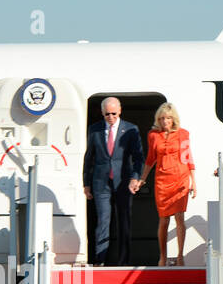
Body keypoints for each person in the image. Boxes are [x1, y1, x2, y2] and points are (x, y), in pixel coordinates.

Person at [83, 96, 143, 266]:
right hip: (101, 182)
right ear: (102, 113)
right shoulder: (94, 129)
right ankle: (99, 260)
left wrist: (135, 177)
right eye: (107, 114)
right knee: (103, 220)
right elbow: (89, 157)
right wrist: (86, 183)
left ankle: (123, 261)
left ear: (120, 111)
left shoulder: (131, 129)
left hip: (124, 181)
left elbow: (138, 157)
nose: (111, 117)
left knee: (123, 221)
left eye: (114, 114)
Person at [142, 102, 196, 266]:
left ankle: (180, 256)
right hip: (162, 179)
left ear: (174, 119)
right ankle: (163, 257)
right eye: (162, 118)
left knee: (179, 218)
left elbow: (188, 157)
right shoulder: (153, 135)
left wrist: (194, 182)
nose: (165, 121)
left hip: (180, 177)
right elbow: (151, 158)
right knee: (163, 220)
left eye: (168, 118)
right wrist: (142, 178)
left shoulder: (183, 134)